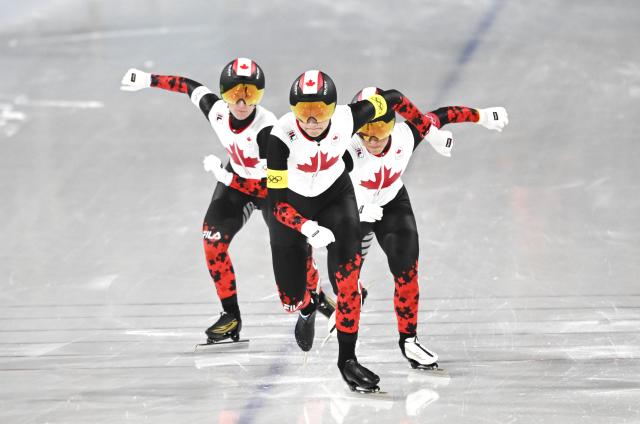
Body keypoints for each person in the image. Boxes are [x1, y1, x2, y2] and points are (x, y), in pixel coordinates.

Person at [265, 70, 448, 392]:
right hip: (292, 207)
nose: (311, 121)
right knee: (290, 298)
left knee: (347, 281)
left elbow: (393, 97)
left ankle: (347, 360)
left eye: (320, 111)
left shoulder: (350, 119)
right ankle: (307, 307)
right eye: (303, 113)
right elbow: (277, 206)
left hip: (336, 199)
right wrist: (305, 226)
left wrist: (428, 130)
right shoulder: (279, 137)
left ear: (334, 109)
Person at [119, 58, 320, 344]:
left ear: (260, 96)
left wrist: (224, 179)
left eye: (250, 94)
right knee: (212, 240)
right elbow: (190, 88)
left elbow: (265, 183)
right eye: (234, 94)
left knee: (295, 251)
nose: (241, 102)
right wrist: (148, 80)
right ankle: (231, 316)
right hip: (237, 180)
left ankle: (313, 294)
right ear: (224, 95)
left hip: (270, 188)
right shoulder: (216, 112)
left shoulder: (267, 132)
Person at [329, 86, 509, 370]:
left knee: (407, 271)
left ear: (394, 124)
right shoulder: (347, 151)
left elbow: (443, 116)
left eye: (381, 129)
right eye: (366, 131)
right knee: (344, 279)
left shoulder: (406, 135)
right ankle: (352, 301)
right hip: (355, 210)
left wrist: (482, 116)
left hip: (392, 204)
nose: (374, 139)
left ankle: (409, 340)